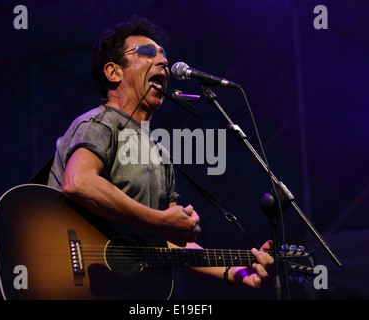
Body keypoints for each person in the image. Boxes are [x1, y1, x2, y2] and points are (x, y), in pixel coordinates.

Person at [48, 16, 273, 293]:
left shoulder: (160, 153)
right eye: (146, 52)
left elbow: (168, 241)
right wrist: (160, 221)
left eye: (163, 54)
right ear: (113, 72)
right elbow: (78, 182)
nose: (163, 61)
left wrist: (237, 271)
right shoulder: (102, 122)